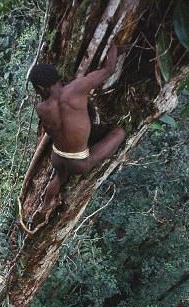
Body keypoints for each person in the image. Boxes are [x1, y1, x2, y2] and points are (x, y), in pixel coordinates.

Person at [28, 45, 126, 211]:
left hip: (57, 158)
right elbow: (108, 70)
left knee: (60, 177)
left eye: (37, 90)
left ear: (41, 88)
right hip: (79, 163)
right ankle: (49, 201)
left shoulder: (41, 109)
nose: (38, 94)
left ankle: (45, 206)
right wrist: (114, 46)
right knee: (120, 133)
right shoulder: (77, 88)